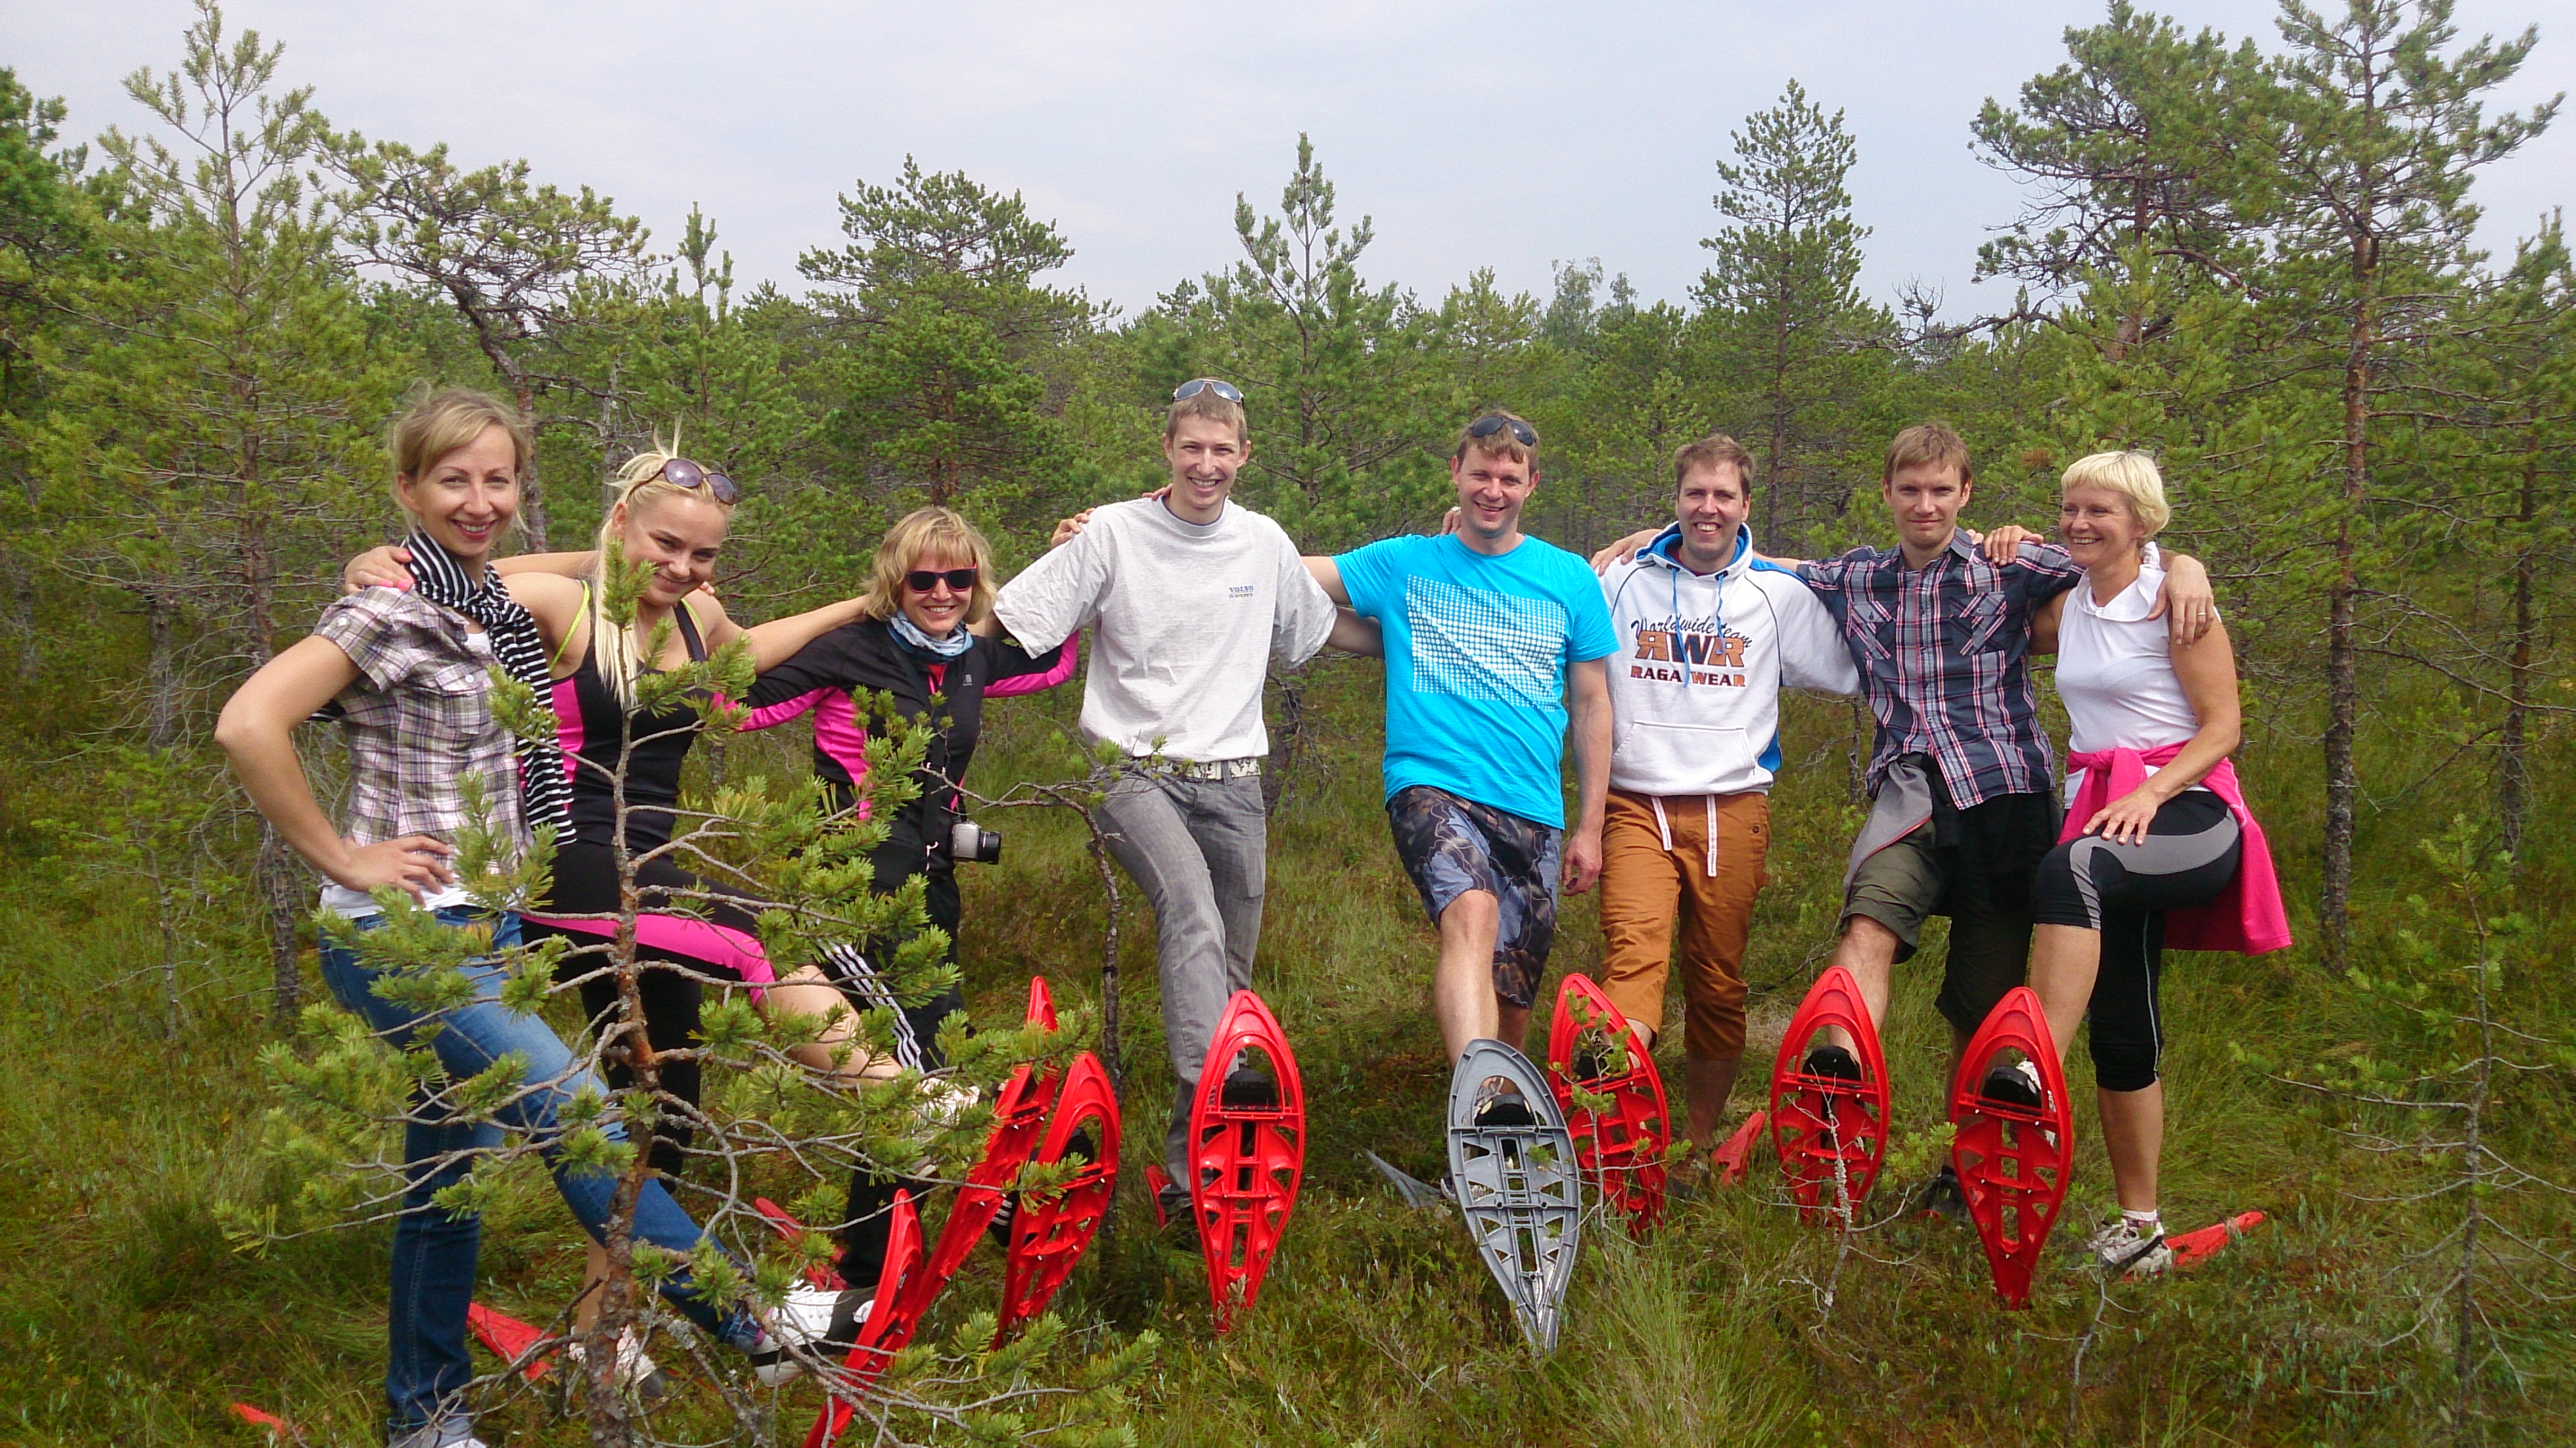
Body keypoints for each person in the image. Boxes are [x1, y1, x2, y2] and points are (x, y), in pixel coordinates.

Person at [218, 392, 796, 1448]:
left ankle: (424, 1420)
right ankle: (742, 1315)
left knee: (449, 1190)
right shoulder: (390, 611)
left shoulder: (490, 599)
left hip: (490, 926)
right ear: (407, 489)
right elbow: (249, 721)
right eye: (452, 481)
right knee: (578, 1110)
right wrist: (344, 856)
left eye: (498, 481)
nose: (479, 501)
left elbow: (621, 563)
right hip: (402, 939)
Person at [1593, 420, 2215, 1215]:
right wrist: (1663, 535)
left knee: (1981, 999)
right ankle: (1835, 1097)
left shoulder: (2011, 564)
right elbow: (1760, 564)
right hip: (1911, 794)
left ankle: (1962, 1164)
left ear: (1964, 494)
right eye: (1909, 490)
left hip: (2006, 797)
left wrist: (2181, 565)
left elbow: (2115, 558)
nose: (1924, 505)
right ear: (1887, 494)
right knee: (1864, 925)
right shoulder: (1856, 577)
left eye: (1939, 491)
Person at [995, 378, 1370, 1225]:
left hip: (1233, 780)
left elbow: (1321, 630)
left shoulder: (1263, 542)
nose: (1206, 464)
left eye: (1221, 449)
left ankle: (1183, 1178)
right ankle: (1220, 1093)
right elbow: (1015, 618)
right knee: (1189, 904)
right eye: (1190, 446)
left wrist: (1431, 646)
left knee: (1227, 978)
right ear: (1166, 448)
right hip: (1128, 768)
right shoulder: (1114, 533)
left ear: (1244, 456)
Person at [741, 505, 1074, 1327]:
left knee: (920, 1063)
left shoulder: (970, 657)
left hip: (929, 895)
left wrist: (1072, 555)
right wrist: (836, 612)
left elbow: (1054, 660)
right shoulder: (853, 648)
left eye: (958, 578)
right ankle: (926, 1232)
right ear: (895, 579)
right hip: (846, 892)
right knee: (919, 1068)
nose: (941, 593)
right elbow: (732, 699)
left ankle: (875, 1259)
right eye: (922, 578)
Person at [2012, 451, 2288, 1275]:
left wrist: (2151, 794)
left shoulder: (2175, 599)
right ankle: (2141, 1230)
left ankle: (2028, 1076)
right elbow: (1937, 565)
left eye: (2098, 510)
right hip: (2107, 809)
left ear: (2142, 521)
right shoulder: (2067, 599)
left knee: (2071, 872)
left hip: (2189, 811)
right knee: (2124, 1023)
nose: (2077, 523)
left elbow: (2223, 724)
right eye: (2068, 509)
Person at [1306, 411, 1617, 1127]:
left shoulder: (1567, 578)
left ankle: (1499, 1141)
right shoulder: (1405, 562)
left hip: (1531, 805)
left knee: (1512, 993)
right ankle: (1482, 1110)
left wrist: (1591, 825)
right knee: (1469, 913)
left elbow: (1593, 703)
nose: (1493, 489)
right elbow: (1278, 569)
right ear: (1456, 471)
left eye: (1509, 477)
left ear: (1531, 485)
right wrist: (1158, 517)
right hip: (1431, 783)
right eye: (1481, 472)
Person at [1594, 433, 1857, 1158]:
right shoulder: (1618, 579)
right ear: (1674, 499)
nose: (1707, 509)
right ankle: (1613, 1133)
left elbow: (1853, 665)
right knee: (1632, 958)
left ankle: (1697, 1142)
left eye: (1722, 496)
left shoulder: (1773, 593)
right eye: (1694, 494)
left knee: (1716, 980)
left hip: (1730, 808)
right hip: (1633, 801)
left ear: (1745, 505)